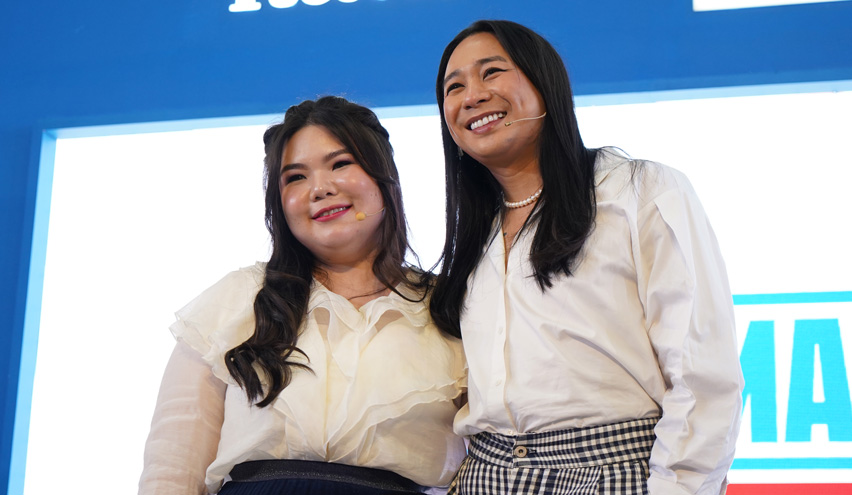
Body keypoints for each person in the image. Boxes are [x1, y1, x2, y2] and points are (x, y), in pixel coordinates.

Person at [429, 20, 744, 495]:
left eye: (491, 72)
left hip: (612, 471)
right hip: (485, 475)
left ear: (544, 82)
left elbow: (701, 372)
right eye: (454, 87)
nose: (471, 96)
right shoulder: (475, 235)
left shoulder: (640, 189)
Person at [139, 96, 467, 495]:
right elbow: (172, 468)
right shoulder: (236, 300)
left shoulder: (449, 307)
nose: (320, 188)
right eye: (295, 177)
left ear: (384, 176)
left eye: (340, 164)